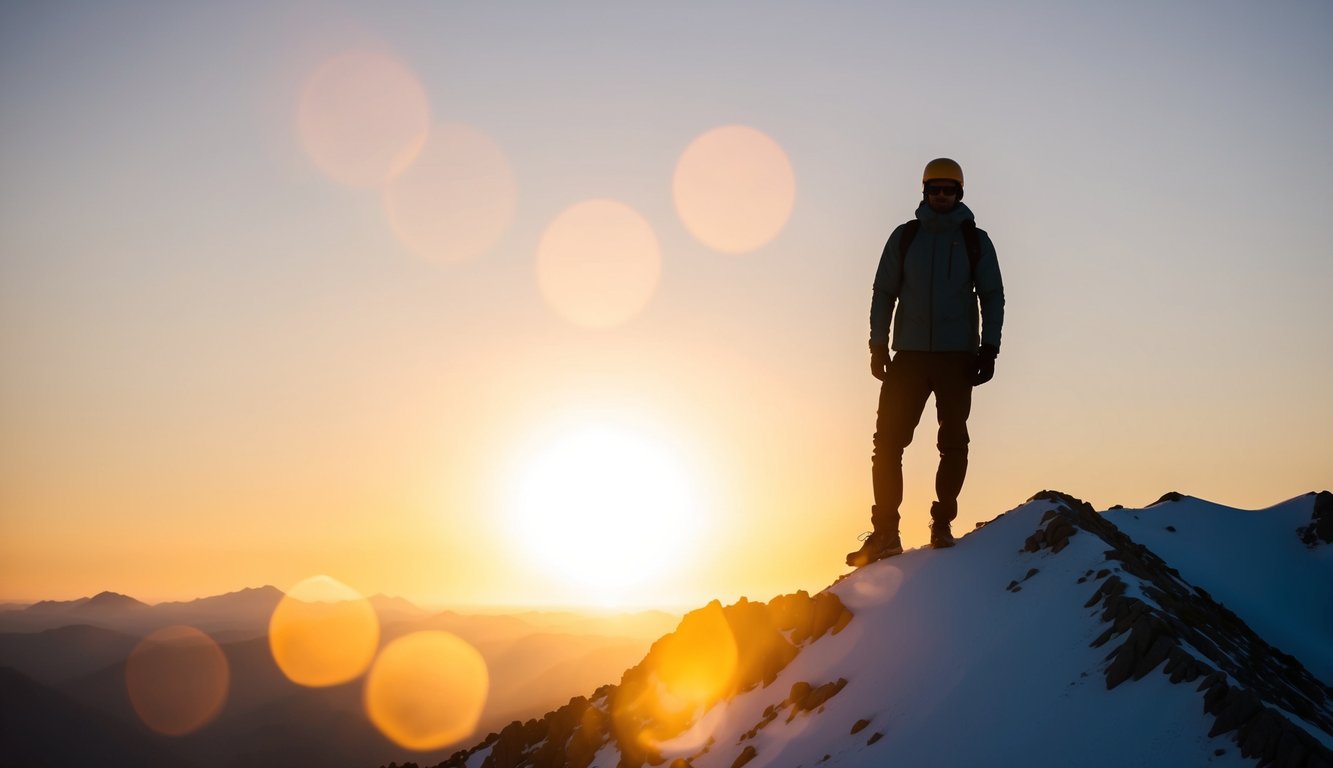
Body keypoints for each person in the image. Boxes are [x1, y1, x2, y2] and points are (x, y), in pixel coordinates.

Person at [846, 158, 1005, 568]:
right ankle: (885, 535)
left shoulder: (975, 240)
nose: (940, 196)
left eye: (948, 190)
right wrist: (877, 345)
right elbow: (884, 292)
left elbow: (992, 295)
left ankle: (942, 523)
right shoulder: (905, 237)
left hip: (957, 357)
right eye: (934, 189)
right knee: (887, 445)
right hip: (909, 356)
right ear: (924, 191)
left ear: (960, 194)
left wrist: (990, 347)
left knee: (953, 442)